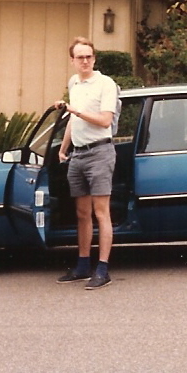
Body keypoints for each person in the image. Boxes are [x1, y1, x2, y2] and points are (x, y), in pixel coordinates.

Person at [54, 36, 118, 290]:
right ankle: (82, 265)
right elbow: (73, 121)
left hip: (100, 153)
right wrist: (63, 148)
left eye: (89, 56)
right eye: (80, 57)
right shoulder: (74, 84)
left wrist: (75, 110)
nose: (85, 61)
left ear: (94, 58)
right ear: (72, 60)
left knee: (101, 213)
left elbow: (105, 121)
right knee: (82, 214)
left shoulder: (105, 84)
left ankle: (102, 269)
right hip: (78, 155)